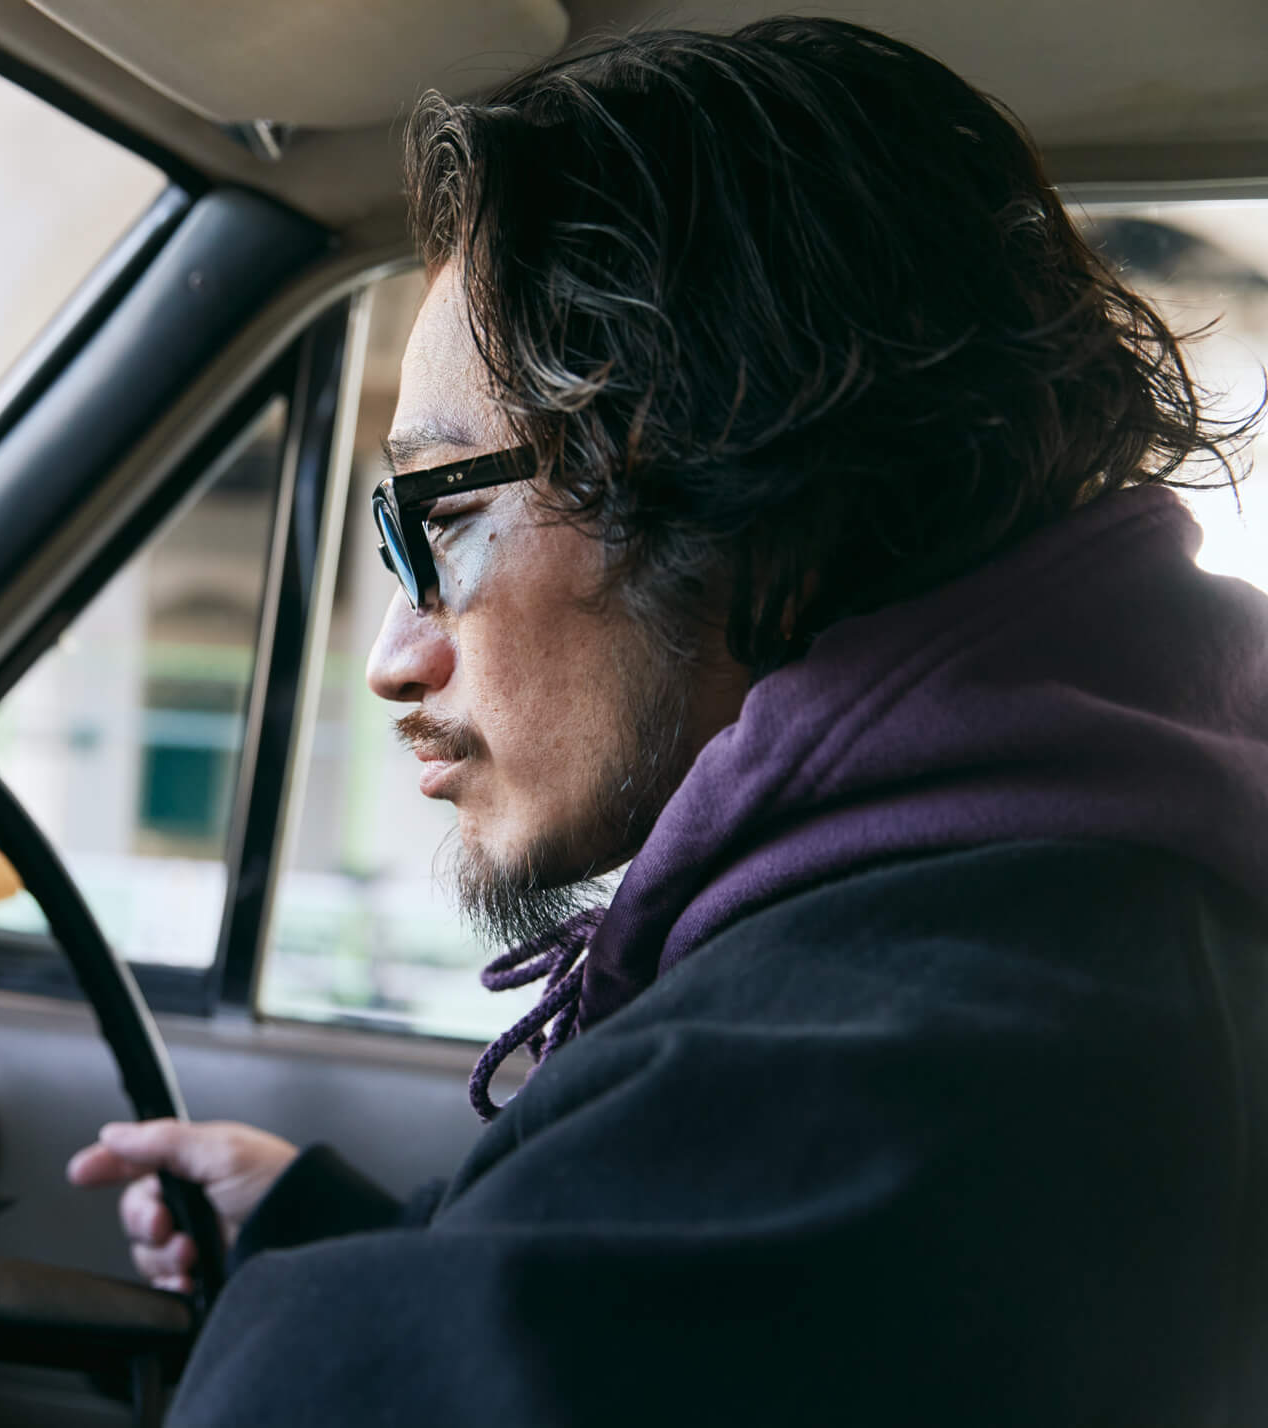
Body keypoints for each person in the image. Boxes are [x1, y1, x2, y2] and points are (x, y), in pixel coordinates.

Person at [68, 17, 1268, 1424]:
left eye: (440, 516)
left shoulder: (913, 1068)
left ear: (746, 487)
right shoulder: (1064, 921)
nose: (392, 658)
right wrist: (330, 1237)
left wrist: (330, 1331)